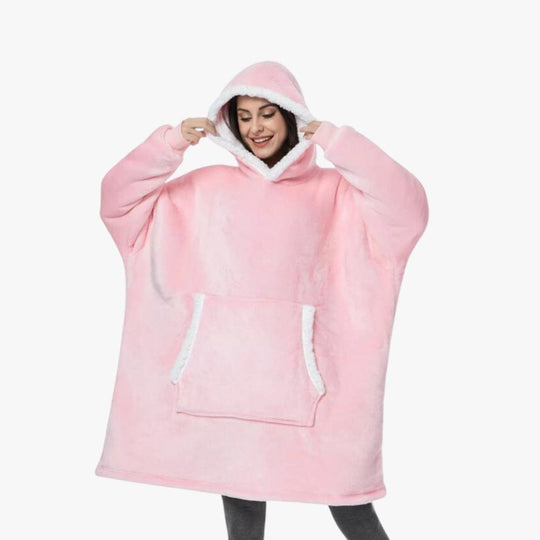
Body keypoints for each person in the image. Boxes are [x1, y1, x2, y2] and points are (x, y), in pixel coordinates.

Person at [95, 61, 428, 540]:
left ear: (291, 115)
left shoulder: (335, 194)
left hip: (314, 398)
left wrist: (337, 141)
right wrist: (168, 144)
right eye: (244, 116)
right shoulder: (204, 188)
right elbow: (118, 203)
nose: (256, 127)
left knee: (350, 506)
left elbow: (407, 209)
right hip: (223, 391)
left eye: (268, 113)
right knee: (243, 510)